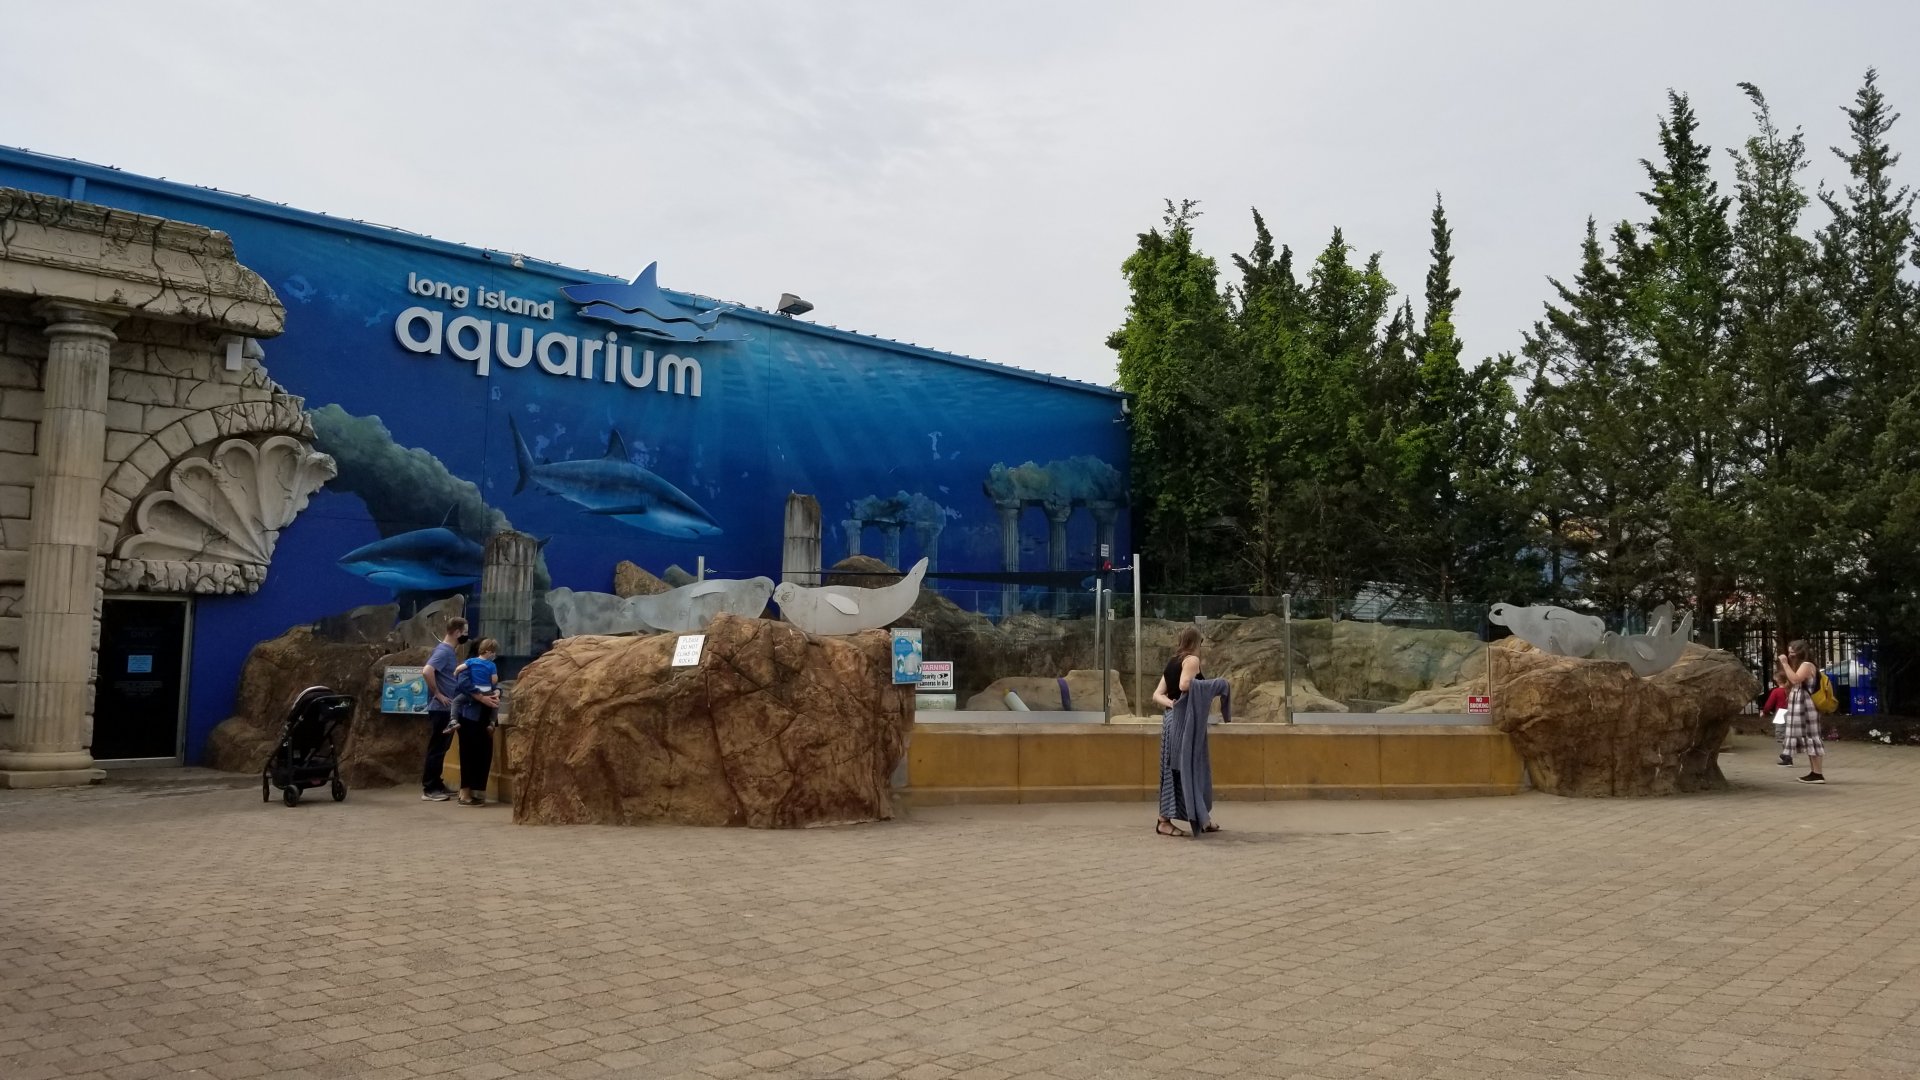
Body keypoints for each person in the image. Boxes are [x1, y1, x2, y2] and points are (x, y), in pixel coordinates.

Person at [1151, 626, 1221, 837]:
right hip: (1185, 723)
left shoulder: (1173, 662)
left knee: (1175, 769)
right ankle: (1164, 821)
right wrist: (1215, 685)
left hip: (1171, 721)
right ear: (1196, 642)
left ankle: (1201, 818)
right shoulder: (1191, 660)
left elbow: (1157, 695)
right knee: (1190, 768)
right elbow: (1184, 685)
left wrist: (1173, 705)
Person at [419, 615, 466, 802]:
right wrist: (437, 693)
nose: (466, 636)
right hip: (441, 708)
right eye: (465, 632)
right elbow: (427, 670)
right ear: (456, 632)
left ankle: (437, 783)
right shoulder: (444, 651)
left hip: (448, 708)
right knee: (437, 749)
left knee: (442, 748)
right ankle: (430, 788)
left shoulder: (448, 651)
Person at [452, 639, 502, 806]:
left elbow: (495, 684)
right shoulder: (469, 666)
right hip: (469, 716)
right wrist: (482, 698)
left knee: (484, 753)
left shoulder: (488, 666)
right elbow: (463, 683)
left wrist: (496, 692)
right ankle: (465, 792)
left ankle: (477, 791)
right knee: (468, 753)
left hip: (485, 716)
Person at [1778, 640, 1826, 784]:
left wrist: (1785, 664)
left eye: (1793, 651)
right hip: (1801, 705)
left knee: (1812, 736)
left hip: (1807, 706)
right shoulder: (1801, 665)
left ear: (1800, 651)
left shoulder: (1806, 665)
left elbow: (1795, 679)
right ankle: (1814, 772)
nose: (1790, 653)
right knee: (1808, 737)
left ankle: (1818, 773)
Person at [1760, 671, 1792, 767]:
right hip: (1791, 712)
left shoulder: (1776, 691)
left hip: (1780, 713)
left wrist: (1764, 712)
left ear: (1777, 680)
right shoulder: (1791, 690)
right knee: (1789, 735)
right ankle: (1787, 755)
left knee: (1782, 736)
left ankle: (1787, 756)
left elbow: (1769, 704)